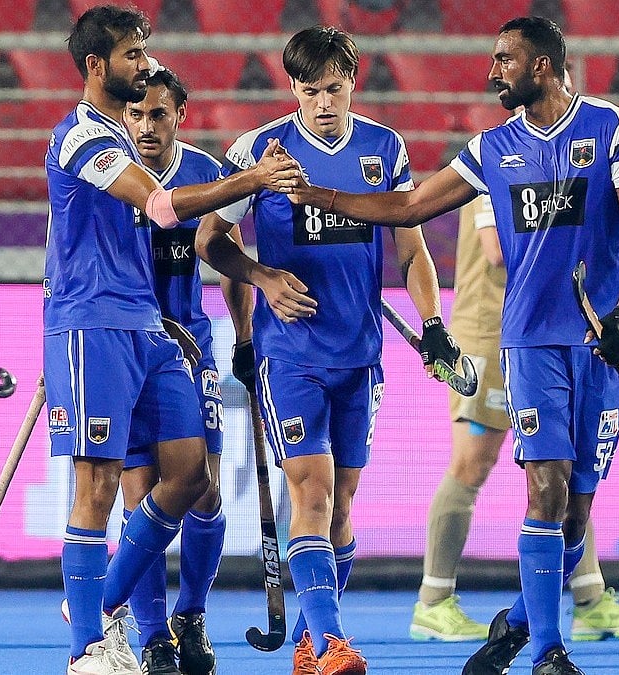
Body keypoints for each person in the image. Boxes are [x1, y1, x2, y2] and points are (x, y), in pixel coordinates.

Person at [285, 16, 619, 675]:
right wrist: (315, 194)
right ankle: (548, 651)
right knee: (545, 490)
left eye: (503, 60)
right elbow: (408, 207)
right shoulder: (491, 148)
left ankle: (516, 625)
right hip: (530, 344)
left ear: (541, 66)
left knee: (576, 519)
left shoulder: (612, 128)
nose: (492, 73)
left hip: (599, 346)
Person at [43, 7, 301, 675]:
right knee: (100, 485)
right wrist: (251, 179)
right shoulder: (82, 137)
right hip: (95, 323)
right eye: (132, 55)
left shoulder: (127, 141)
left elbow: (207, 241)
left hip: (153, 330)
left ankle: (107, 603)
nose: (143, 65)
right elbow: (159, 206)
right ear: (96, 65)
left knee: (193, 475)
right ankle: (88, 648)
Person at [196, 25, 460, 675]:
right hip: (290, 355)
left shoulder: (384, 147)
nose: (322, 103)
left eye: (334, 89)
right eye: (310, 90)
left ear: (353, 83)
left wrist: (432, 322)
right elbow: (210, 242)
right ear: (292, 87)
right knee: (310, 494)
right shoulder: (259, 150)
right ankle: (333, 641)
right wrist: (261, 278)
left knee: (342, 506)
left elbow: (410, 246)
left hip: (361, 355)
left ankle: (310, 643)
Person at [409, 197, 619, 644]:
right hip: (489, 333)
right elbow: (497, 250)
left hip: (550, 334)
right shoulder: (495, 172)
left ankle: (589, 600)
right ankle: (433, 601)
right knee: (471, 464)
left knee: (566, 467)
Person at [118, 66, 240, 675]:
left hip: (190, 350)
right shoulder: (106, 172)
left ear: (179, 117)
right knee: (139, 490)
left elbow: (226, 257)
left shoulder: (205, 173)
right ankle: (152, 637)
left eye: (158, 114)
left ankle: (191, 615)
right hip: (125, 351)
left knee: (204, 490)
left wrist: (246, 337)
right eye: (136, 114)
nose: (146, 126)